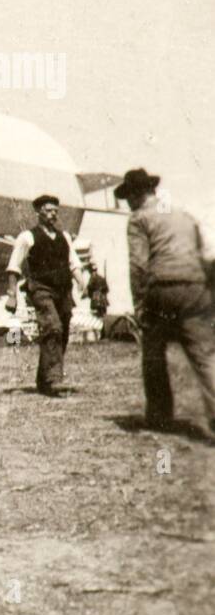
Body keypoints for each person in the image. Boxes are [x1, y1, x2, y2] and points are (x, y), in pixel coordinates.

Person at [116, 168, 215, 433]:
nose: (127, 203)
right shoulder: (183, 215)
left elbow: (138, 264)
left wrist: (139, 305)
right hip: (196, 287)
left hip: (163, 288)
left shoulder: (139, 219)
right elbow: (204, 255)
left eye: (128, 197)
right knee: (205, 356)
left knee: (153, 351)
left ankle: (160, 415)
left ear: (137, 195)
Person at [5, 194, 89, 396]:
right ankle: (54, 379)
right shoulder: (27, 237)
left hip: (63, 290)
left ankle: (44, 380)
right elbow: (14, 267)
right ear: (38, 212)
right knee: (52, 327)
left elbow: (73, 262)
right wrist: (12, 295)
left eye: (55, 211)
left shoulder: (65, 237)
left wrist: (81, 281)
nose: (53, 215)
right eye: (48, 211)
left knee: (62, 332)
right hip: (41, 289)